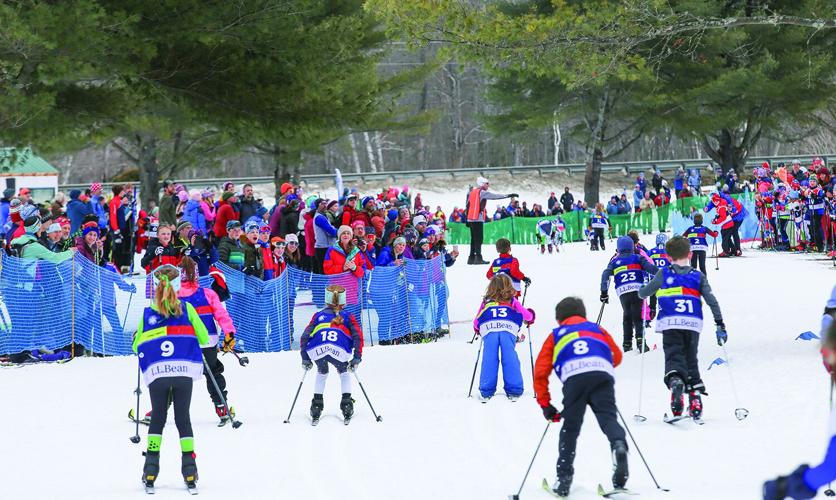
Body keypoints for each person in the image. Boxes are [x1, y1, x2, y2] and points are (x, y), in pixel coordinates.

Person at [534, 296, 627, 497]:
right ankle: (619, 446)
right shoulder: (597, 329)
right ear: (583, 314)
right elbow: (617, 356)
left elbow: (540, 371)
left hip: (574, 379)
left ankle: (564, 479)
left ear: (559, 318)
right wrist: (600, 366)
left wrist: (545, 405)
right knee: (608, 419)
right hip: (602, 374)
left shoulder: (556, 335)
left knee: (570, 428)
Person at [133, 264, 209, 491]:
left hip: (158, 372)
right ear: (179, 286)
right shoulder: (187, 308)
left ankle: (150, 469)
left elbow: (137, 345)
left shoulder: (148, 313)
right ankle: (189, 469)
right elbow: (204, 338)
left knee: (157, 418)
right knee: (182, 419)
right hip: (183, 371)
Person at [638, 236, 725, 419]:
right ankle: (695, 400)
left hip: (670, 322)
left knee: (673, 356)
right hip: (692, 323)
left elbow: (645, 292)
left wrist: (642, 291)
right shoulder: (698, 276)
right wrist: (719, 324)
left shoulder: (663, 273)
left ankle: (676, 382)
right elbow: (712, 301)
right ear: (690, 254)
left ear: (668, 257)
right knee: (691, 359)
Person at [178, 256, 237, 425]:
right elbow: (221, 315)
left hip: (183, 342)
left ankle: (160, 410)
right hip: (207, 342)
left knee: (176, 374)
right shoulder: (207, 294)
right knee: (213, 373)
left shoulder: (173, 295)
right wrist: (229, 333)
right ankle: (221, 406)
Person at [299, 285, 364, 423]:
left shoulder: (318, 315)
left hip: (317, 349)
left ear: (326, 300)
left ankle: (316, 406)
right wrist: (357, 357)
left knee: (322, 372)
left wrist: (305, 358)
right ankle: (346, 404)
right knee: (344, 372)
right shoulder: (348, 316)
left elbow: (304, 337)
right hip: (338, 350)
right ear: (343, 301)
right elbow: (358, 336)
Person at [473, 274, 534, 402]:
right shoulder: (511, 301)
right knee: (509, 357)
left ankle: (486, 389)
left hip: (489, 329)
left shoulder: (486, 302)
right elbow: (527, 316)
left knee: (489, 358)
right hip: (508, 329)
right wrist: (531, 316)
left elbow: (477, 319)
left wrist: (477, 329)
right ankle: (514, 389)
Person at [600, 236, 657, 352]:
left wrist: (604, 292)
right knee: (637, 315)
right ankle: (641, 341)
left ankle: (627, 343)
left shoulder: (614, 261)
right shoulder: (638, 257)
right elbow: (650, 268)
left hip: (622, 291)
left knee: (627, 314)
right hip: (637, 289)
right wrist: (662, 273)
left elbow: (605, 275)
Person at [465, 177, 517, 265]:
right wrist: (508, 195)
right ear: (482, 184)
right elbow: (494, 196)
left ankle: (471, 258)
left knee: (473, 239)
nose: (488, 185)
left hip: (471, 218)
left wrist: (467, 218)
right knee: (479, 239)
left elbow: (467, 204)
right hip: (477, 219)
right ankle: (478, 258)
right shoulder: (482, 192)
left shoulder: (472, 192)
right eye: (486, 183)